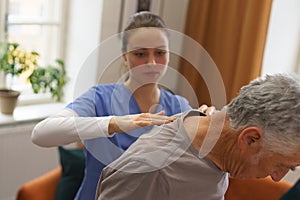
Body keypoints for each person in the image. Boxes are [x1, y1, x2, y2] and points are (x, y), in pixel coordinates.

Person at [31, 11, 213, 199]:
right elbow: (41, 134)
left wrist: (210, 127)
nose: (151, 63)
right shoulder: (99, 99)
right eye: (140, 54)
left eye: (160, 53)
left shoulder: (179, 106)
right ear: (125, 56)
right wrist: (113, 123)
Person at [96, 73, 300, 200]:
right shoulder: (150, 172)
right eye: (282, 165)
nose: (277, 177)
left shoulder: (217, 140)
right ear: (250, 139)